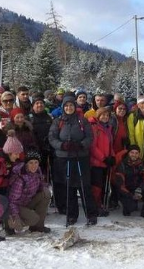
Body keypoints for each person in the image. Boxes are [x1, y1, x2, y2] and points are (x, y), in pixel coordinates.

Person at [48, 95, 98, 226]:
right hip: (64, 157)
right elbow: (52, 138)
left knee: (84, 186)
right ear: (63, 107)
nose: (69, 108)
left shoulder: (82, 121)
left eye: (71, 105)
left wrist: (81, 145)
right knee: (68, 187)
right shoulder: (58, 121)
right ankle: (71, 214)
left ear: (75, 107)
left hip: (80, 156)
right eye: (66, 106)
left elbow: (90, 137)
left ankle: (91, 214)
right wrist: (62, 145)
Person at [7, 148, 51, 234]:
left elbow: (40, 185)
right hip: (17, 205)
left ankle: (38, 227)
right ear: (26, 163)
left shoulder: (38, 170)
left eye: (36, 162)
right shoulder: (21, 178)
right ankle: (9, 223)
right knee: (34, 219)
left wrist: (44, 186)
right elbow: (12, 201)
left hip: (27, 201)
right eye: (31, 162)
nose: (34, 165)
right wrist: (15, 215)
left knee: (46, 193)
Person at [113, 144, 144, 219]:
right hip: (126, 191)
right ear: (128, 153)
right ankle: (127, 207)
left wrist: (140, 188)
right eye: (132, 152)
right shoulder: (122, 165)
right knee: (131, 208)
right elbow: (120, 186)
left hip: (138, 189)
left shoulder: (142, 163)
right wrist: (131, 195)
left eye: (136, 153)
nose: (134, 155)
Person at [89, 107, 115, 217]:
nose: (105, 117)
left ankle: (101, 204)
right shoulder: (94, 127)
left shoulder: (108, 127)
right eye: (103, 115)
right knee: (97, 186)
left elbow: (110, 145)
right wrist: (103, 158)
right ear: (98, 116)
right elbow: (92, 146)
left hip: (105, 162)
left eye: (107, 115)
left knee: (104, 184)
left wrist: (112, 156)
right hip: (96, 162)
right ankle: (95, 206)